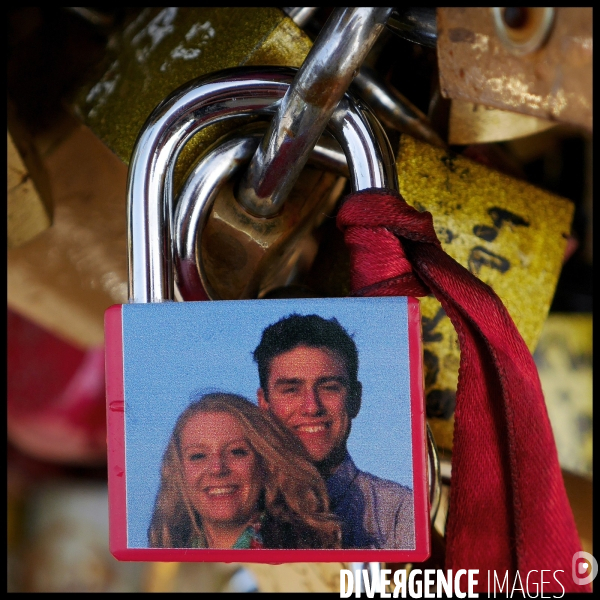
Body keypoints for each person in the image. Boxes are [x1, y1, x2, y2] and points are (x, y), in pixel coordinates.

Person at [253, 314, 415, 550]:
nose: (312, 407)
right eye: (291, 390)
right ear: (264, 403)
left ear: (355, 399)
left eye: (329, 387)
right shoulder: (237, 504)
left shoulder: (400, 510)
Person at [148, 392, 341, 549]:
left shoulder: (306, 558)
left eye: (236, 452)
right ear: (179, 472)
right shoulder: (162, 565)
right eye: (198, 456)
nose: (217, 469)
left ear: (265, 464)